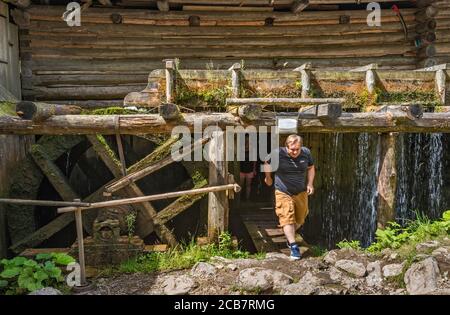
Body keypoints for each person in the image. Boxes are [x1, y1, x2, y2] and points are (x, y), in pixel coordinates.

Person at [264, 134, 315, 260]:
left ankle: (288, 233)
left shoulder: (306, 153)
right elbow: (266, 162)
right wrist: (268, 177)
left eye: (298, 149)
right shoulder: (277, 153)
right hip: (283, 191)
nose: (295, 152)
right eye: (292, 149)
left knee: (300, 218)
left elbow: (311, 167)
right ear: (286, 146)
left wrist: (310, 184)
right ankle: (293, 247)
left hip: (301, 192)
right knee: (287, 218)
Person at [240, 136, 257, 201]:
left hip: (249, 170)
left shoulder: (253, 149)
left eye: (248, 140)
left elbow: (254, 161)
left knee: (248, 185)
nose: (247, 142)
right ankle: (239, 199)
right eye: (246, 140)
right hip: (241, 170)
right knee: (240, 185)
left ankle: (247, 199)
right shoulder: (240, 149)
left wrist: (254, 169)